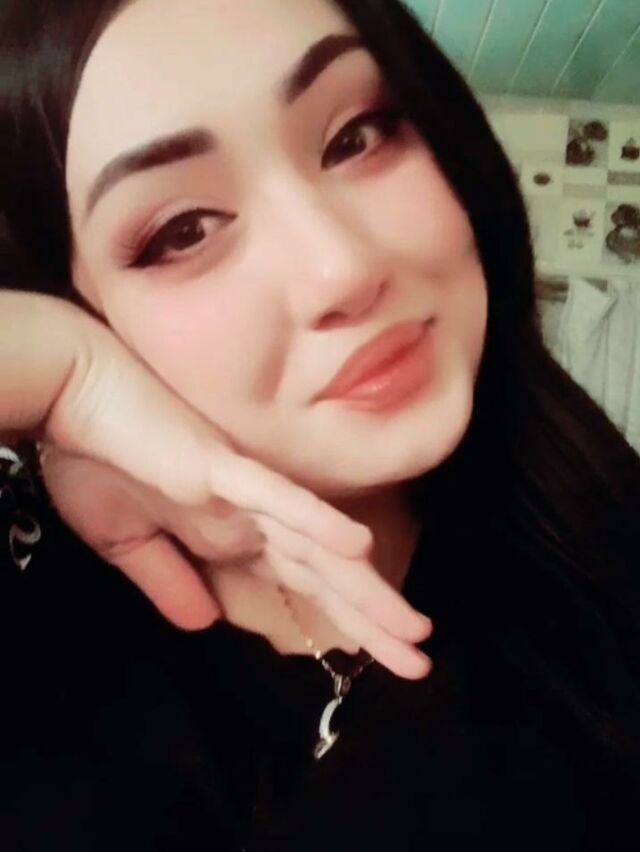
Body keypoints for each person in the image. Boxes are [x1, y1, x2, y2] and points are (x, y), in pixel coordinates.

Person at [1, 0, 639, 849]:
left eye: (356, 136)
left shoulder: (606, 540)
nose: (343, 268)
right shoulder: (33, 610)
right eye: (183, 232)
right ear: (72, 302)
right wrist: (64, 380)